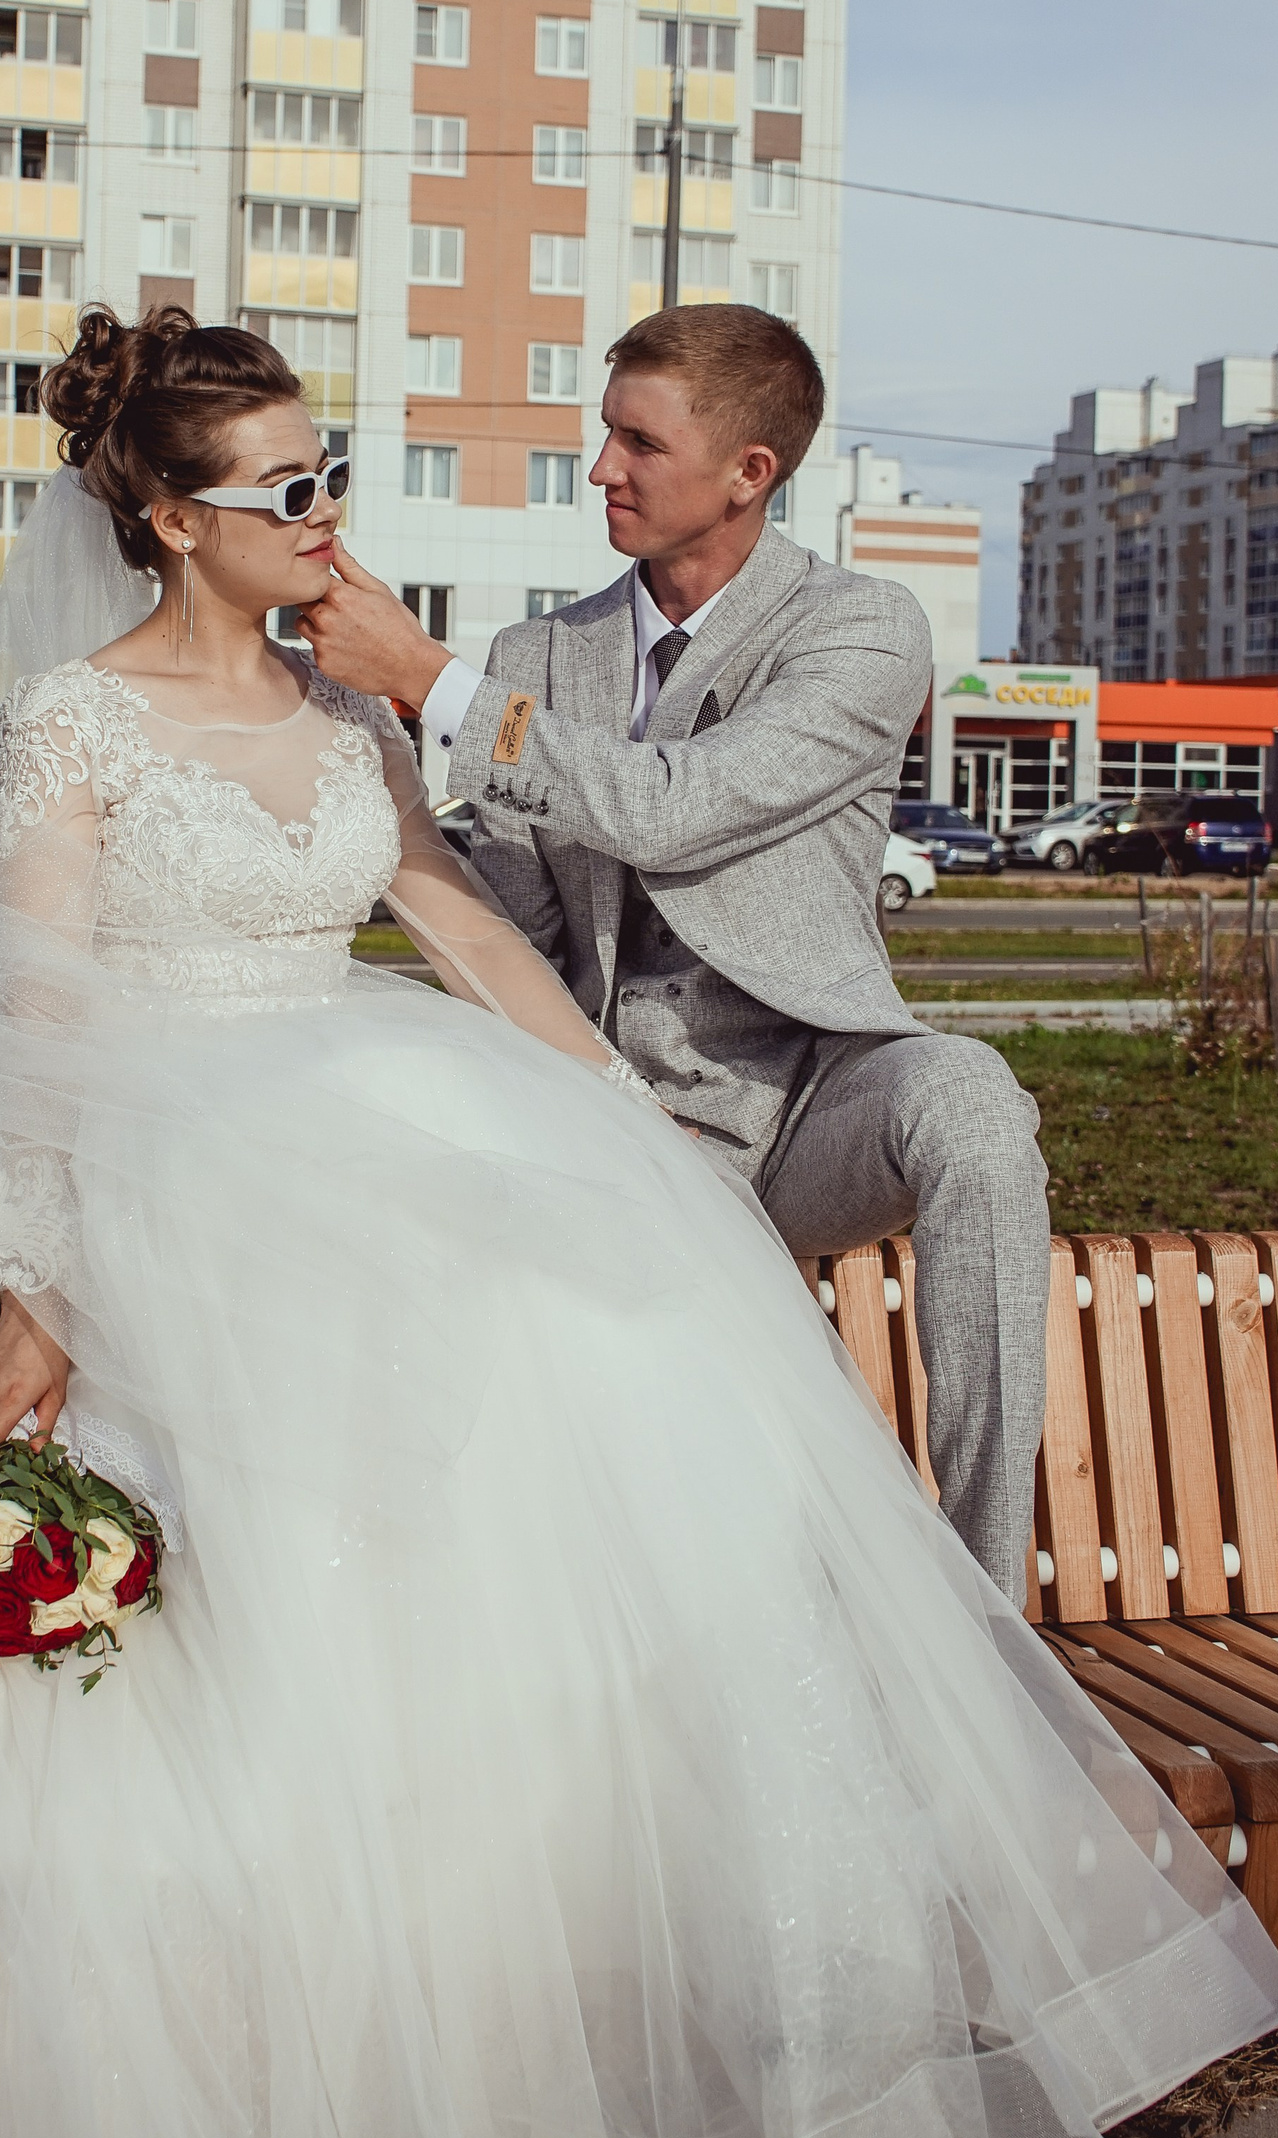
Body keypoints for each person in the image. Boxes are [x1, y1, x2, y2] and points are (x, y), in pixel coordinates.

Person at [0, 306, 1278, 2138]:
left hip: (355, 1112)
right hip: (147, 1148)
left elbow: (465, 929)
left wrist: (628, 1138)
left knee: (584, 1359)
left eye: (328, 475)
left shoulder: (352, 725)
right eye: (283, 488)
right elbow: (28, 1020)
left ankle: (569, 2015)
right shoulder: (77, 724)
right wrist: (51, 1287)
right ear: (170, 518)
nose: (325, 512)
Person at [299, 303, 1050, 1607]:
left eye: (639, 443)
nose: (602, 469)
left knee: (974, 1105)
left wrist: (429, 676)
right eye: (606, 434)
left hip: (811, 1105)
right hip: (613, 1118)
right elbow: (519, 927)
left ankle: (990, 1610)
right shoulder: (538, 658)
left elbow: (676, 806)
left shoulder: (863, 630)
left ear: (750, 471)